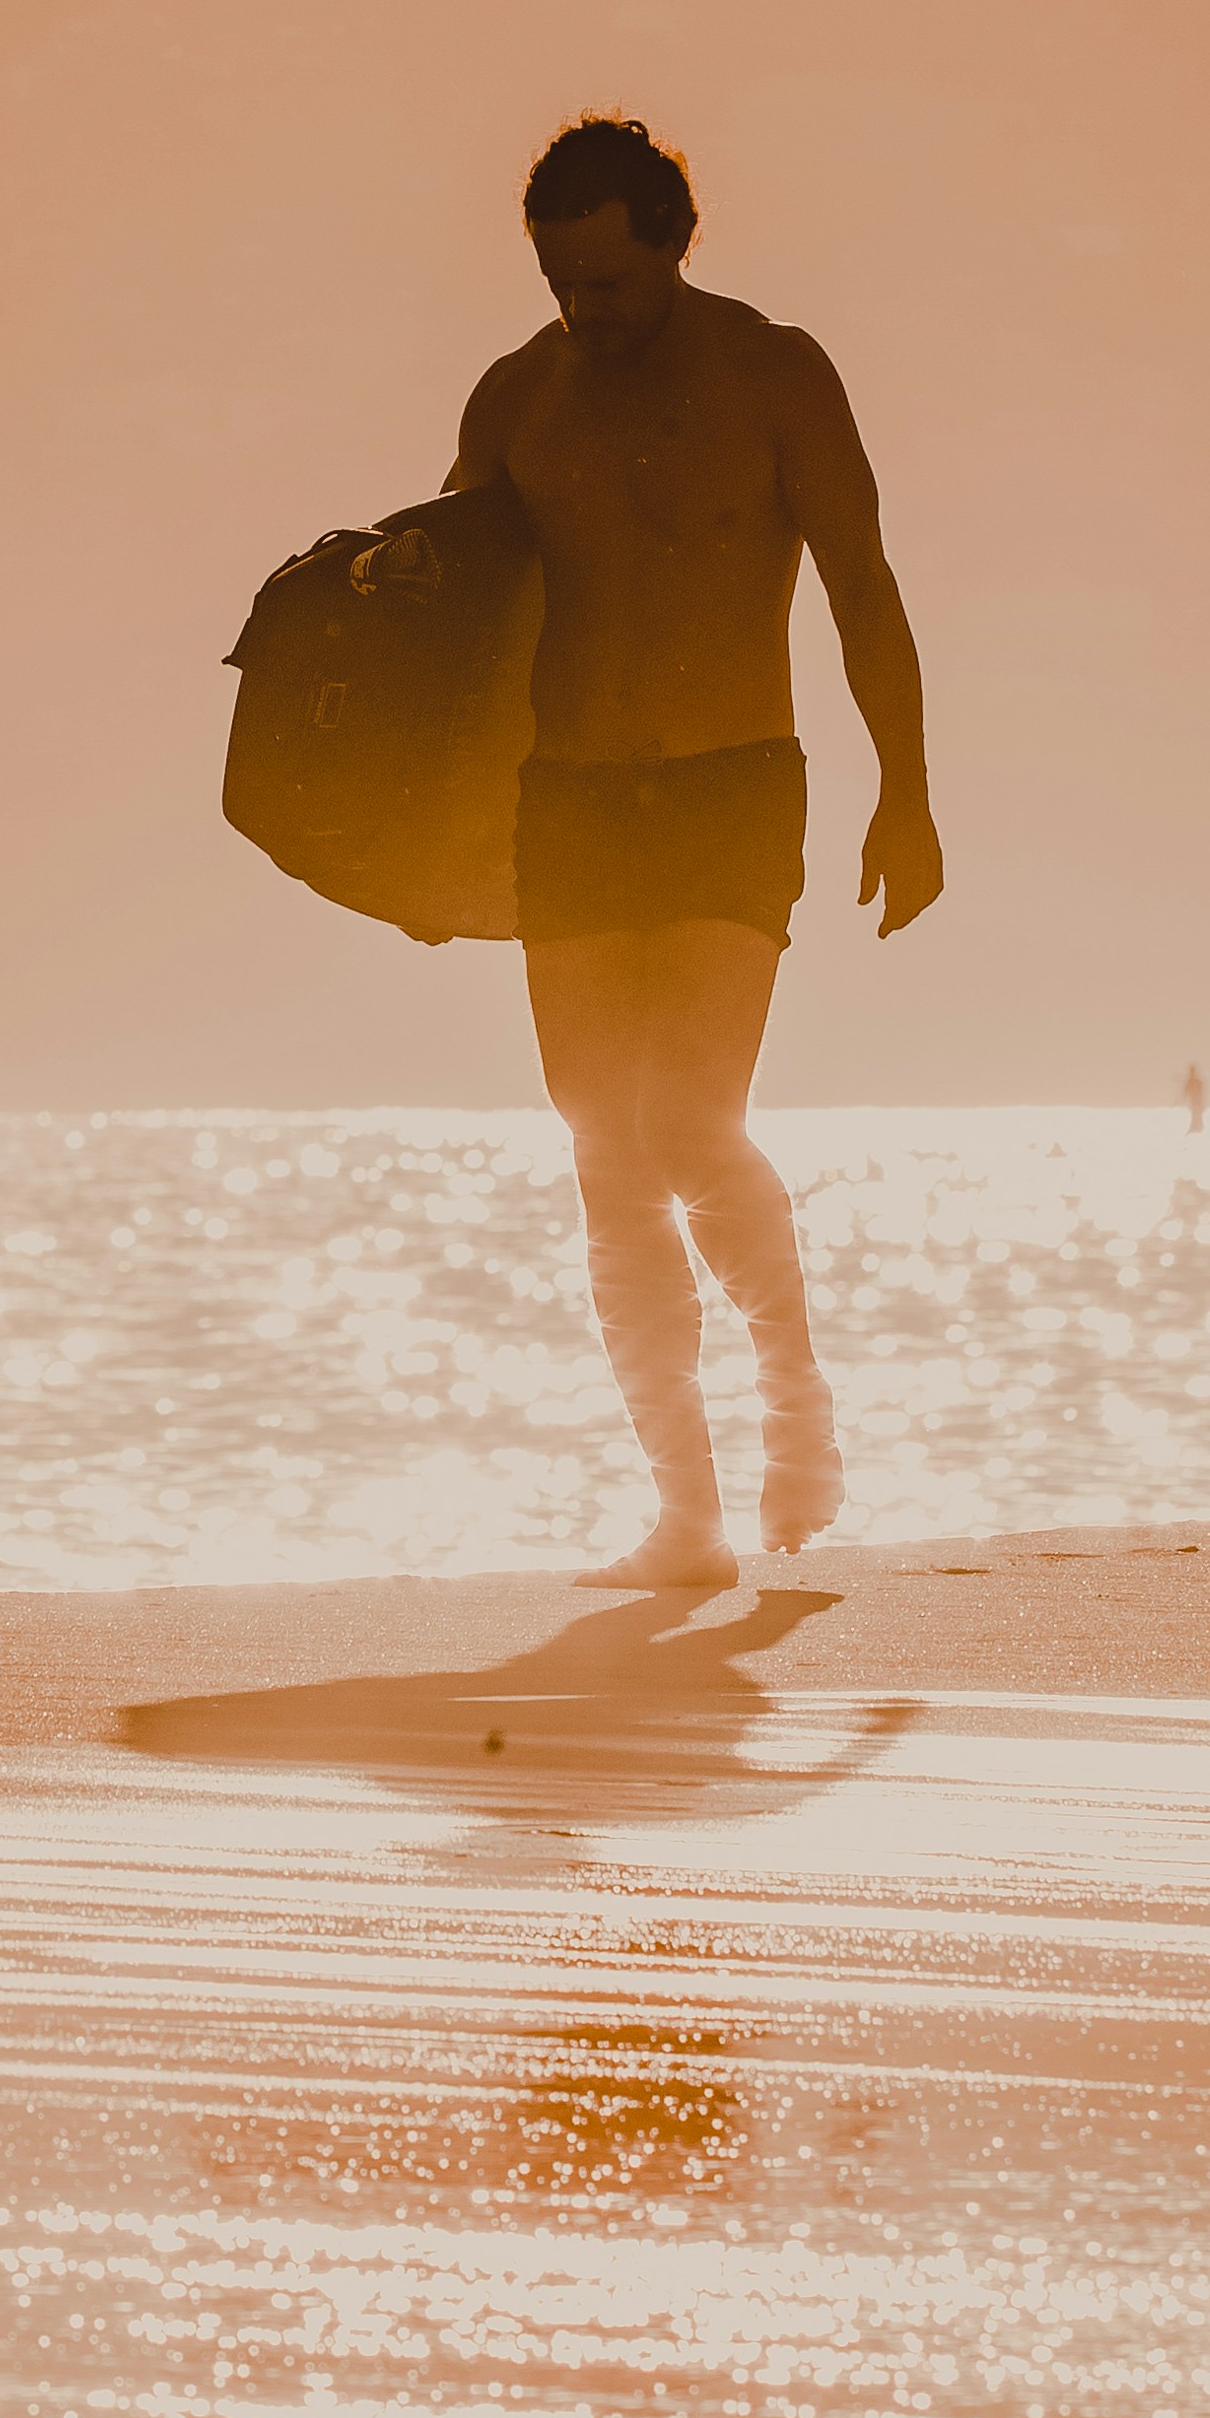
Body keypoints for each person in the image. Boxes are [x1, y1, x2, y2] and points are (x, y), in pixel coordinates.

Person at [452, 113, 943, 1593]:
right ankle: (685, 1511)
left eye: (605, 283)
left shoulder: (770, 374)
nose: (581, 314)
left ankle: (796, 1404)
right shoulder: (516, 399)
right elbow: (451, 632)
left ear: (672, 242)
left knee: (678, 1117)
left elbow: (860, 586)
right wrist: (423, 838)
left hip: (733, 787)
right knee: (606, 1157)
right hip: (570, 805)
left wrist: (903, 792)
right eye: (559, 285)